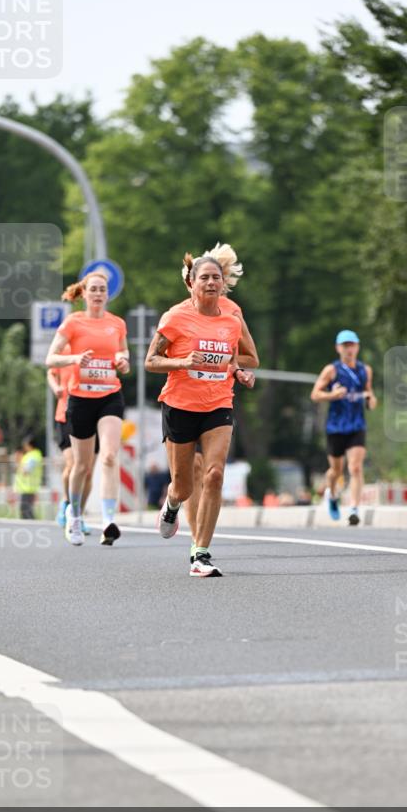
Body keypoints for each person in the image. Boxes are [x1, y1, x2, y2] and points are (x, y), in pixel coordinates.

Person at [145, 247, 257, 577]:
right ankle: (172, 505)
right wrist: (182, 362)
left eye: (216, 278)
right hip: (179, 405)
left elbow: (247, 358)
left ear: (223, 285)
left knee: (215, 474)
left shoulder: (231, 319)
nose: (211, 283)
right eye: (204, 278)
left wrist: (239, 370)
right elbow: (151, 361)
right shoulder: (176, 318)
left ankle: (201, 553)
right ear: (191, 283)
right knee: (183, 486)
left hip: (218, 404)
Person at [45, 270, 130, 546]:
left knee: (108, 456)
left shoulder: (117, 324)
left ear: (107, 294)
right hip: (80, 398)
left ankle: (108, 521)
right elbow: (51, 358)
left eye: (102, 290)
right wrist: (75, 359)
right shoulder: (73, 323)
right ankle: (74, 515)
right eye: (93, 289)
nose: (97, 294)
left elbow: (123, 353)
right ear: (84, 293)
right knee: (81, 466)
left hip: (109, 395)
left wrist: (122, 361)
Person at [310, 330, 377, 525]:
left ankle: (354, 509)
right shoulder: (331, 370)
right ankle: (331, 493)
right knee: (335, 471)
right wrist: (333, 395)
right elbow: (315, 394)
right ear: (338, 348)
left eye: (352, 345)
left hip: (357, 425)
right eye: (345, 345)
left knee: (355, 467)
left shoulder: (366, 370)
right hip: (336, 426)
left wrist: (371, 400)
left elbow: (370, 396)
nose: (349, 349)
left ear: (357, 347)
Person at [47, 347, 98, 533]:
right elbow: (51, 373)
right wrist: (56, 388)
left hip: (91, 414)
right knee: (74, 464)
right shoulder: (65, 351)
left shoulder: (96, 349)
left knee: (88, 471)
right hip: (65, 415)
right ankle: (67, 502)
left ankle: (78, 515)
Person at [14, 436, 43, 519]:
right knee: (26, 510)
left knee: (25, 510)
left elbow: (26, 471)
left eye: (25, 445)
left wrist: (19, 462)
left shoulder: (32, 456)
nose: (24, 448)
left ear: (29, 445)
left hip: (28, 488)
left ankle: (32, 527)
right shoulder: (33, 455)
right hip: (28, 487)